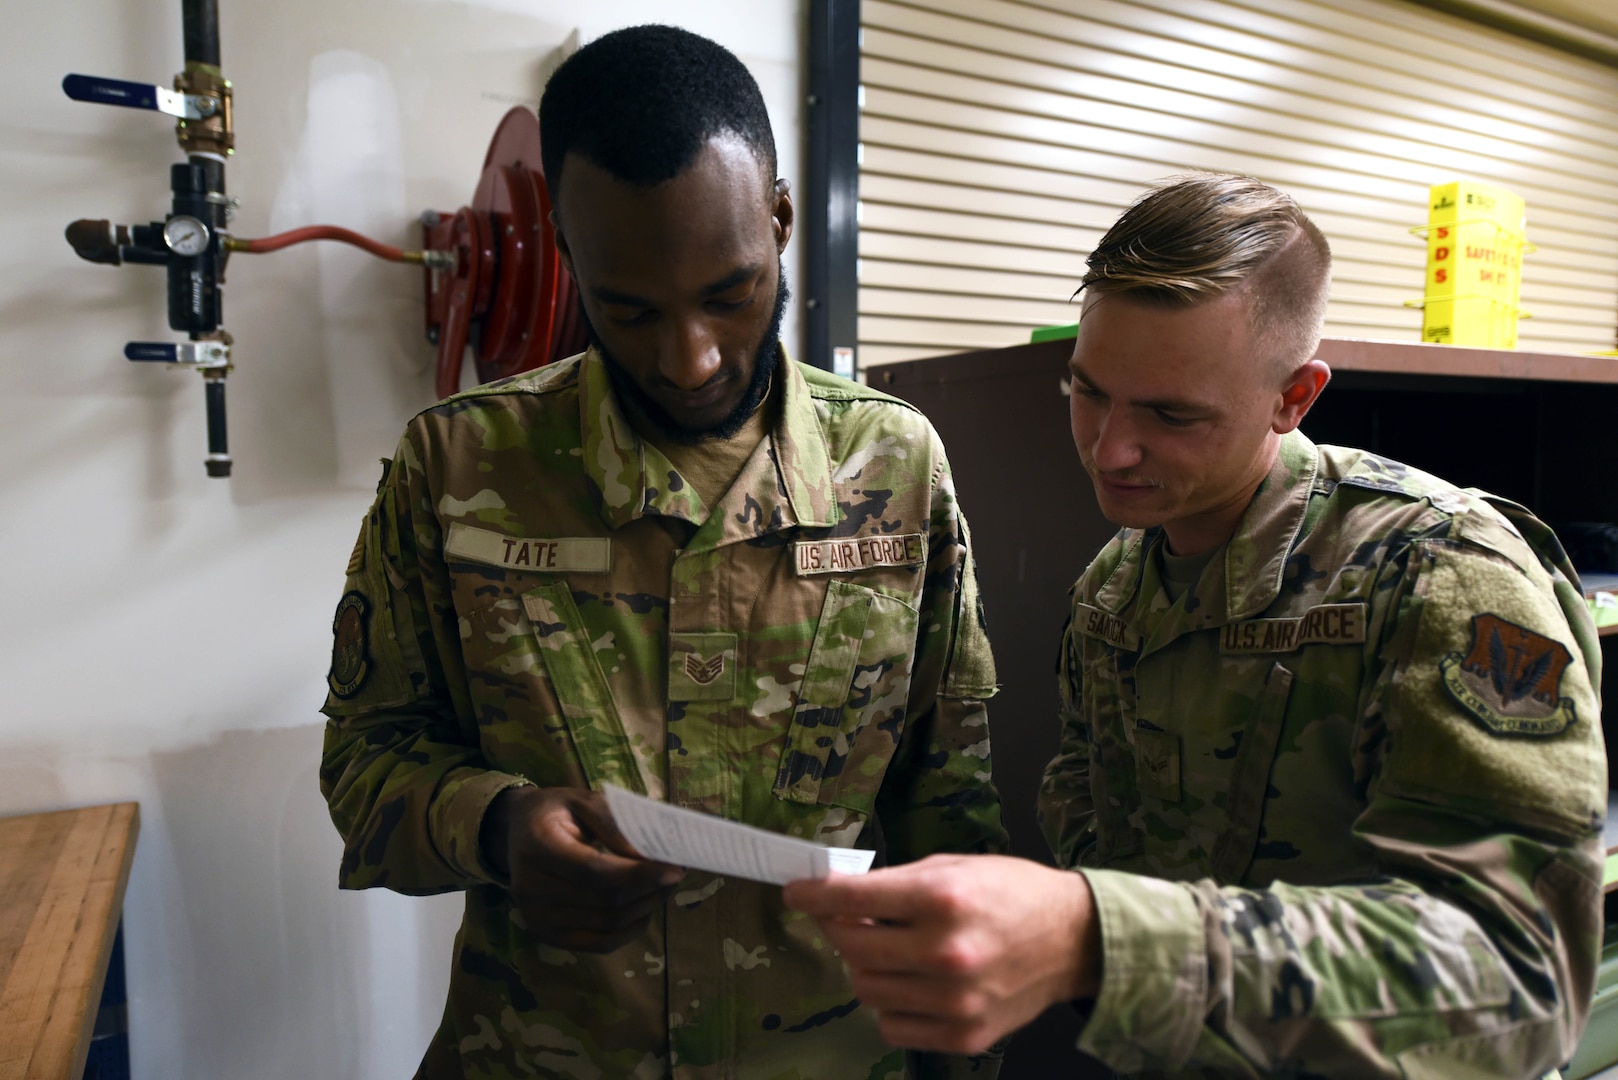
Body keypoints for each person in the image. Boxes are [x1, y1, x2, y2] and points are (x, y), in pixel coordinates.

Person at [785, 174, 1606, 1077]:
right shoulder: (1116, 587)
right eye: (1088, 392)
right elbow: (1085, 799)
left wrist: (1101, 941)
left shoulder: (1440, 575)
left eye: (1171, 414)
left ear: (1294, 396)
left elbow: (1523, 976)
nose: (1111, 448)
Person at [317, 24, 1008, 1080]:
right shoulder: (457, 468)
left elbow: (946, 807)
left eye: (729, 295)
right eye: (627, 309)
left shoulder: (895, 464)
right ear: (567, 253)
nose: (688, 358)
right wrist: (498, 827)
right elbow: (365, 762)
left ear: (779, 218)